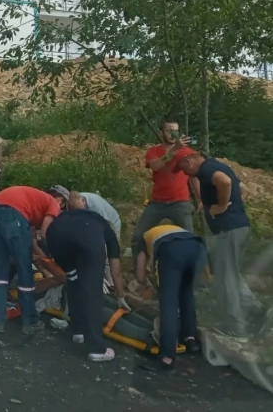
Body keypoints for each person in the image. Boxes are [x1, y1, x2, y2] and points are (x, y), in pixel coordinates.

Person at [177, 151, 268, 336]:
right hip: (240, 227)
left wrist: (221, 206)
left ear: (189, 161)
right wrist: (232, 206)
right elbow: (244, 190)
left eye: (185, 170)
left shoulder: (206, 169)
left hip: (228, 231)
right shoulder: (220, 165)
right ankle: (257, 310)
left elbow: (224, 182)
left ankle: (235, 327)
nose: (187, 175)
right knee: (232, 273)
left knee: (224, 279)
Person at [45, 209, 127, 362]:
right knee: (93, 293)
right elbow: (116, 272)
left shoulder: (77, 216)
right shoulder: (107, 231)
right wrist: (121, 296)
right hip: (86, 241)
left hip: (56, 236)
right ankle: (97, 349)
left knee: (73, 279)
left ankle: (79, 331)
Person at [0, 186, 61, 335]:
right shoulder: (54, 203)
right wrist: (56, 255)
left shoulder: (34, 199)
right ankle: (30, 321)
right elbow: (45, 232)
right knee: (24, 270)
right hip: (13, 215)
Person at [136, 224, 205, 372]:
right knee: (186, 293)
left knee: (169, 302)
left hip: (172, 250)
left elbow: (140, 275)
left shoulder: (143, 239)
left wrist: (151, 286)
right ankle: (190, 339)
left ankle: (167, 357)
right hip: (197, 247)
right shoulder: (168, 230)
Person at [130, 118, 201, 259]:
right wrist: (175, 150)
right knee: (138, 236)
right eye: (169, 131)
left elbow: (194, 176)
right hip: (157, 202)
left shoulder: (187, 152)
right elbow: (156, 166)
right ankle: (138, 270)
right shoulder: (154, 151)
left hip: (180, 202)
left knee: (189, 238)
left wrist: (200, 199)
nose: (172, 134)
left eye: (175, 131)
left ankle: (192, 272)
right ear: (161, 132)